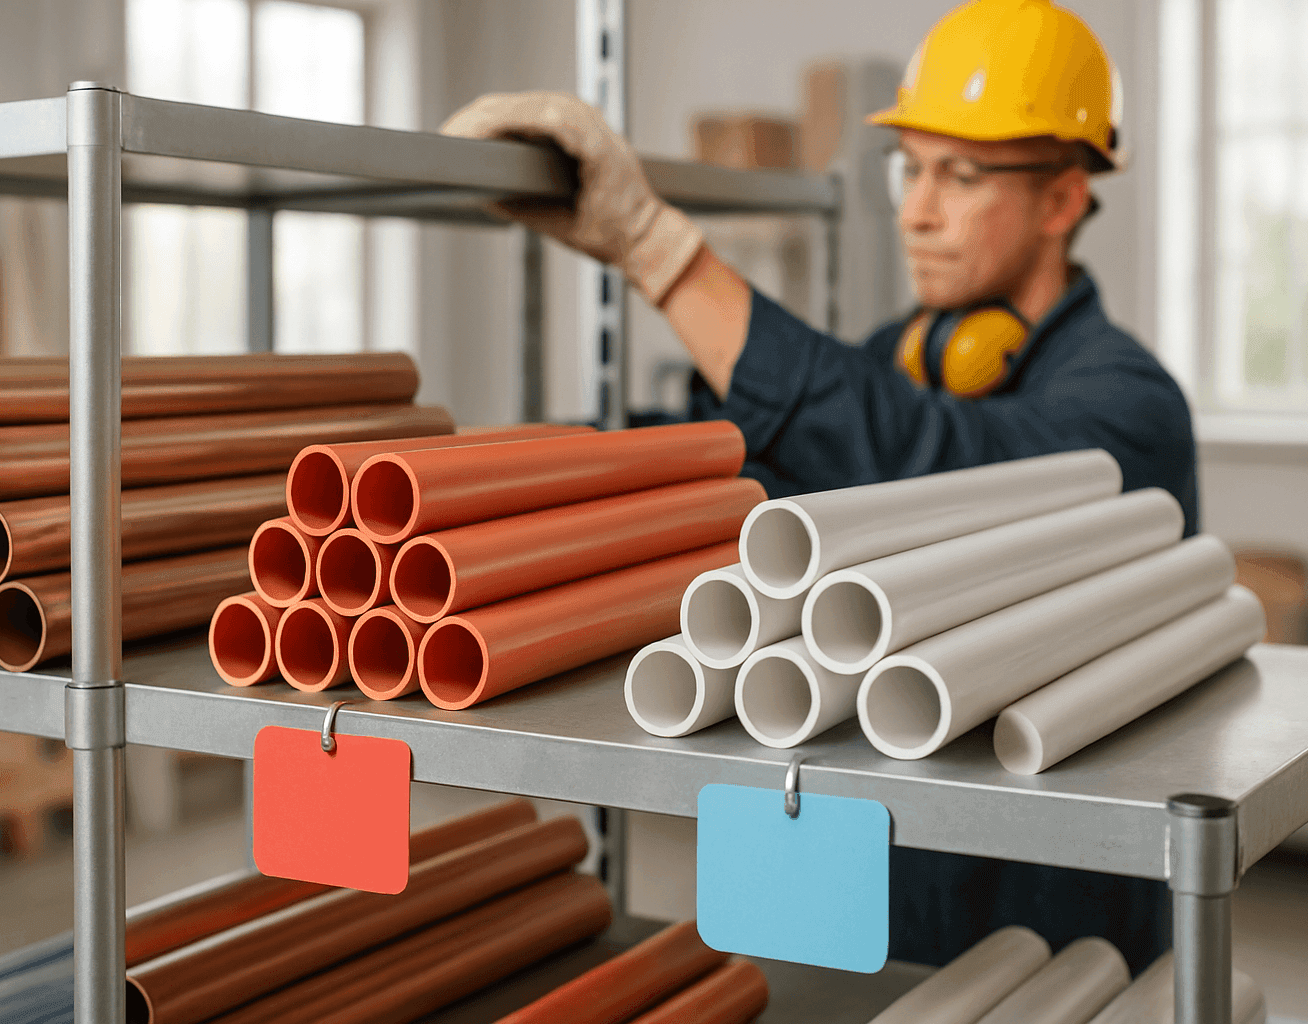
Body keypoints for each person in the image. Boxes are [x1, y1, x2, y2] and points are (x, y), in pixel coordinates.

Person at [444, 0, 1189, 972]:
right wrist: (468, 492)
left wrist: (655, 248)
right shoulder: (891, 361)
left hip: (1047, 932)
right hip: (860, 898)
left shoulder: (1129, 404)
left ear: (1062, 198)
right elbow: (739, 474)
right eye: (907, 168)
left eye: (959, 175)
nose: (916, 210)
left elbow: (927, 457)